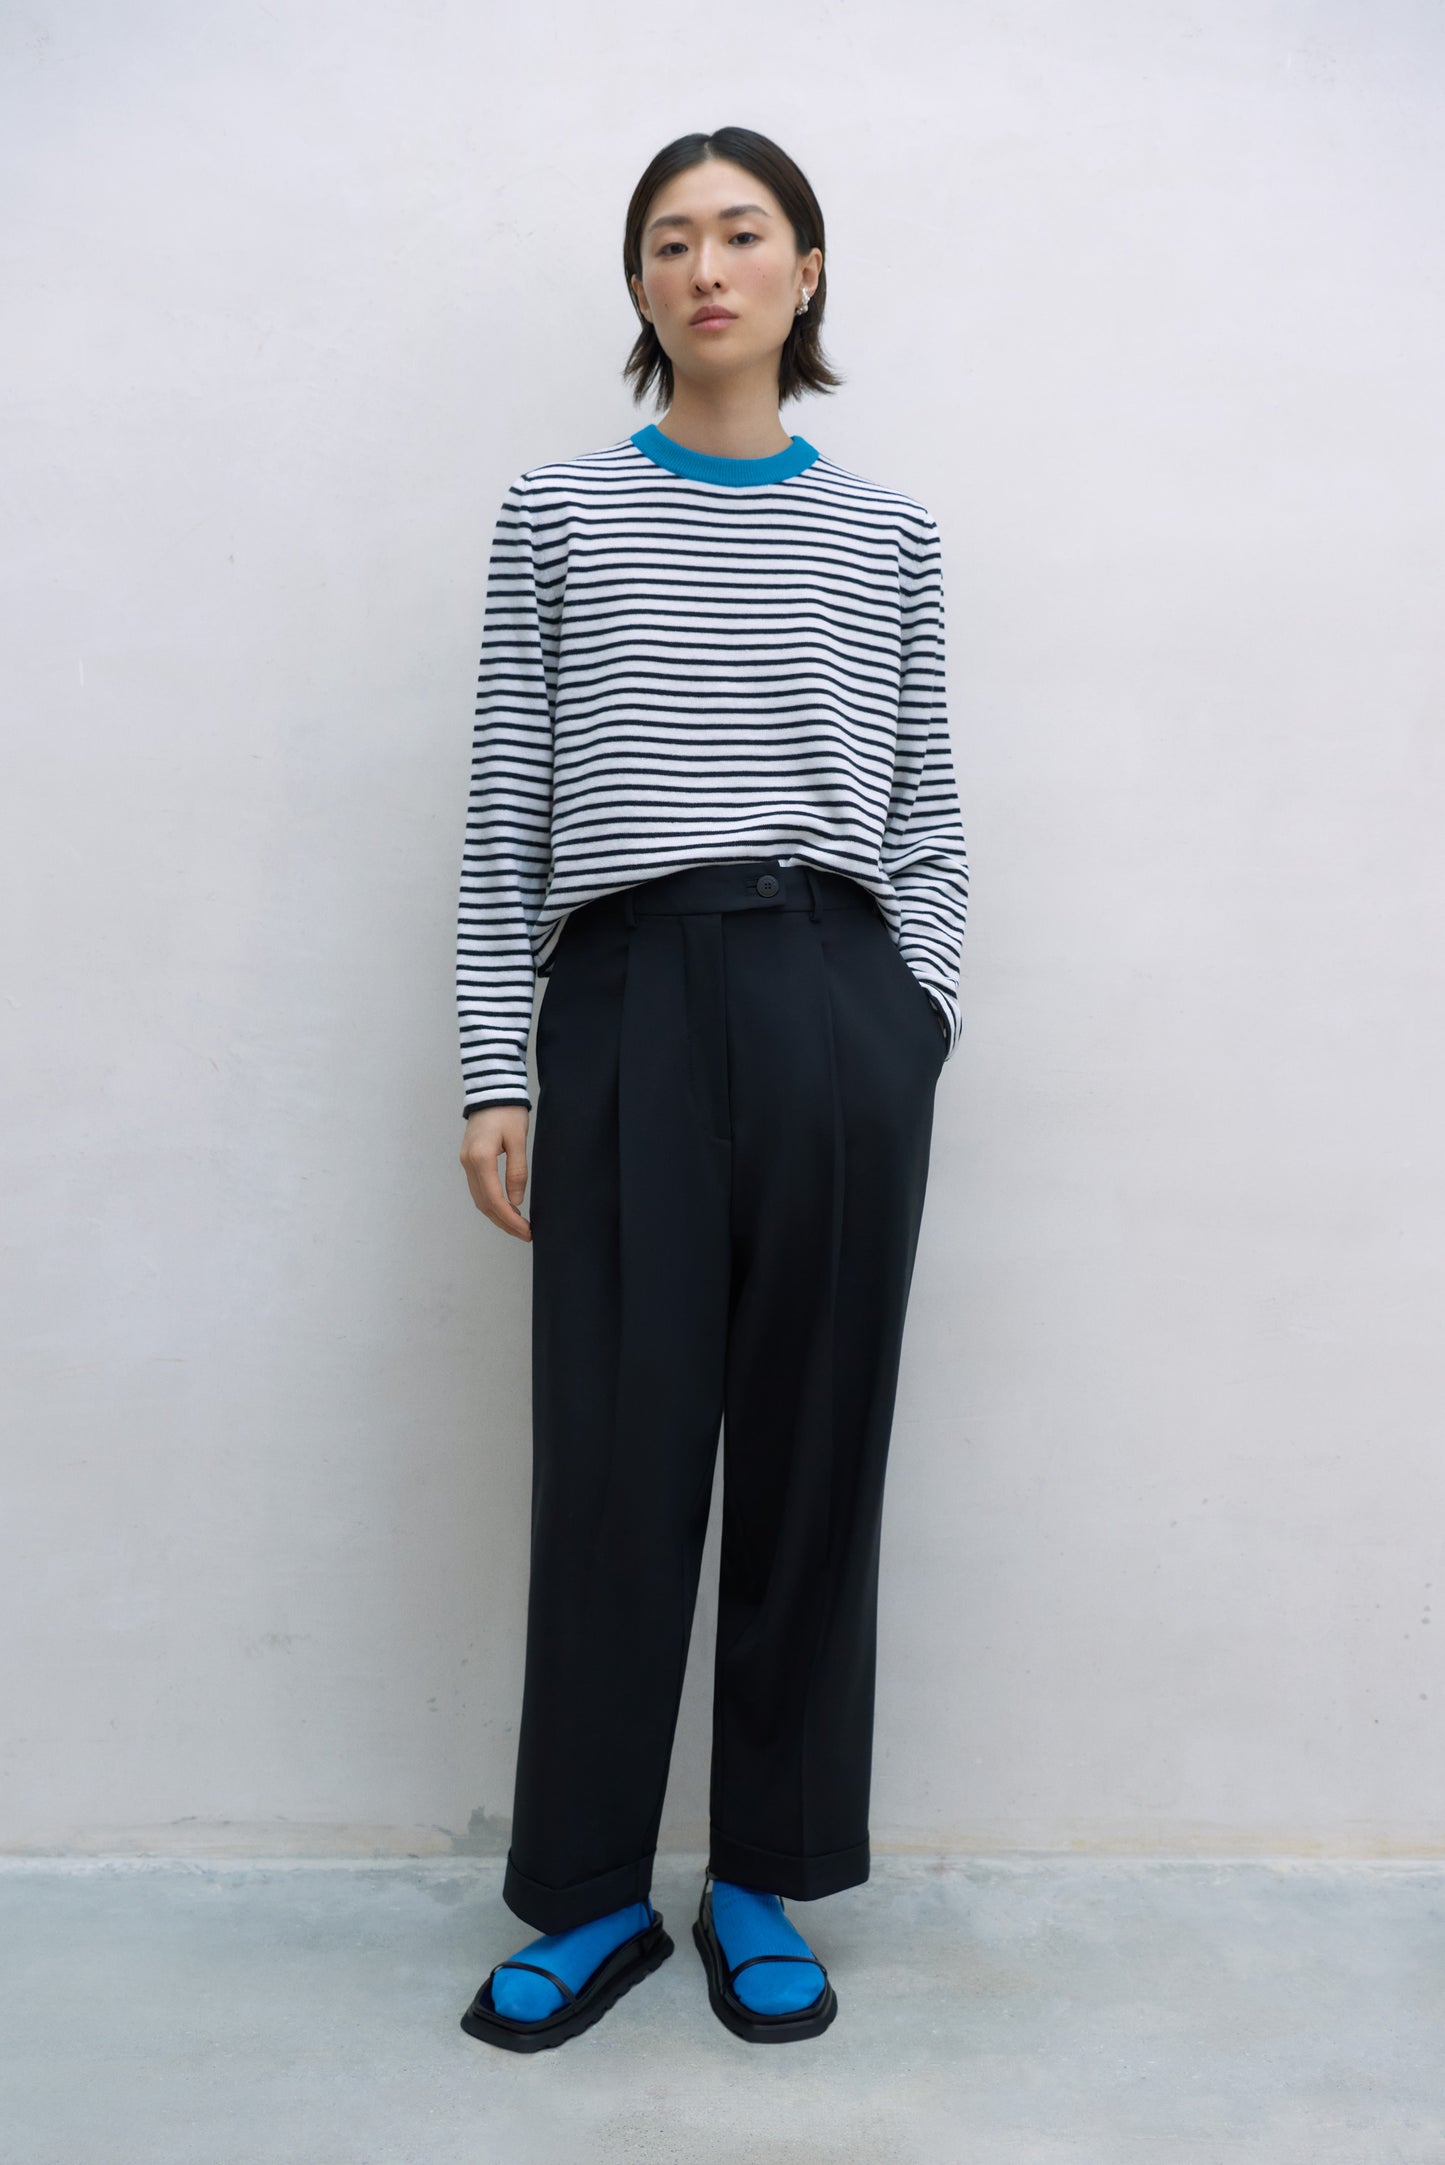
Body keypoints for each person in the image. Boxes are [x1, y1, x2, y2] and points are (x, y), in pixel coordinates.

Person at [455, 124, 968, 2053]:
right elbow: (506, 806)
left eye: (743, 233)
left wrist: (908, 1017)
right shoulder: (554, 512)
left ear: (805, 269)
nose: (705, 267)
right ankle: (590, 1891)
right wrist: (496, 1064)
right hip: (624, 999)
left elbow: (925, 816)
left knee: (813, 1454)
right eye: (668, 241)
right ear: (640, 284)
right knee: (616, 1453)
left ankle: (764, 1869)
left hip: (832, 997)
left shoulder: (886, 531)